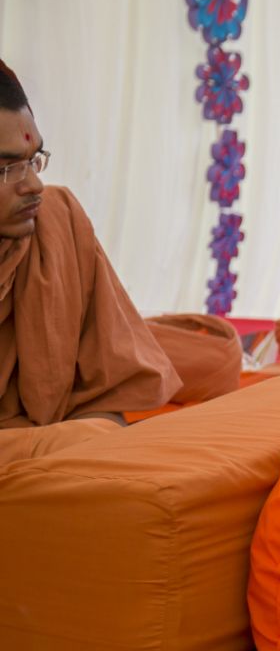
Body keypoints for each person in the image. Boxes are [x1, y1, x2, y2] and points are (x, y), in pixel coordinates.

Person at [0, 59, 178, 463]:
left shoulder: (58, 222)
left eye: (35, 158)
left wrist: (69, 449)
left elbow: (109, 402)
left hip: (58, 475)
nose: (33, 184)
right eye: (6, 168)